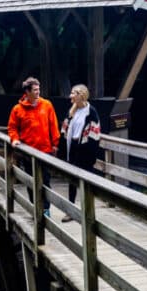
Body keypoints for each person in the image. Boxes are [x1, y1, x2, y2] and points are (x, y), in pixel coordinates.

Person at [57, 83, 102, 217]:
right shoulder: (72, 111)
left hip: (85, 150)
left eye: (73, 93)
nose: (70, 96)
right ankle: (70, 211)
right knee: (72, 181)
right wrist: (61, 150)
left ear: (81, 95)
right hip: (74, 147)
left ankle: (88, 211)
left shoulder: (91, 111)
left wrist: (90, 152)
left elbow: (95, 134)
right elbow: (64, 131)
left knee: (86, 182)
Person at [7, 76, 60, 153]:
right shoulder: (17, 109)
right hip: (26, 150)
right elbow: (12, 127)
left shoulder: (47, 104)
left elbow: (53, 125)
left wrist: (55, 144)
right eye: (35, 90)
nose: (38, 92)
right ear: (27, 91)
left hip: (46, 150)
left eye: (38, 89)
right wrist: (14, 139)